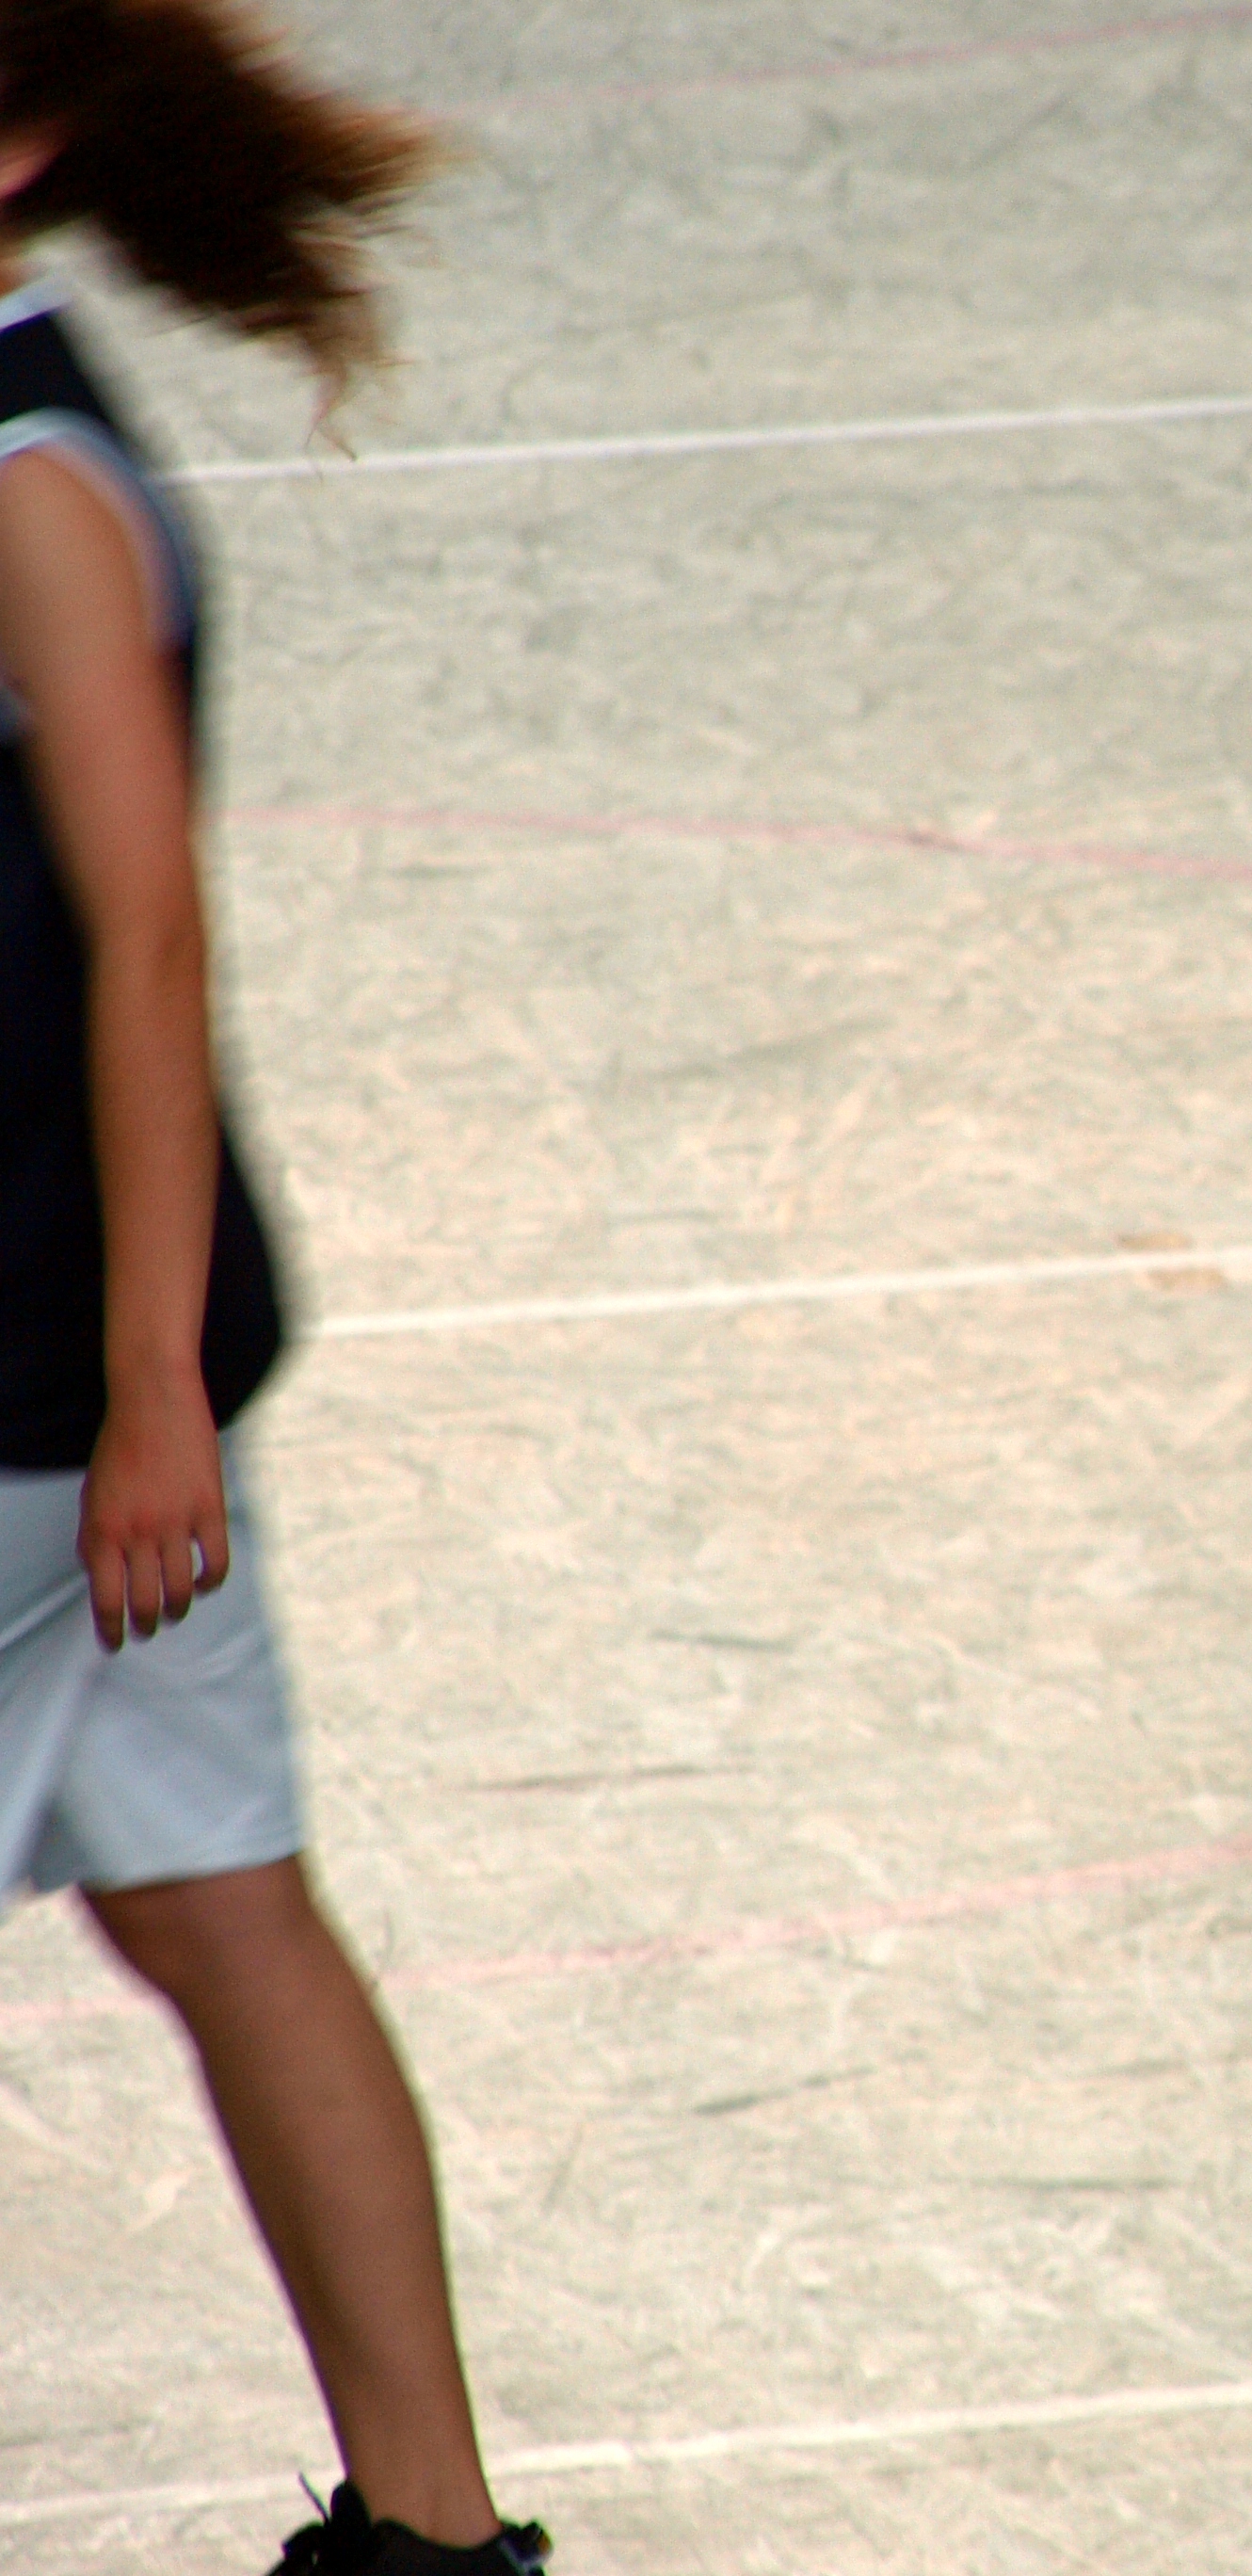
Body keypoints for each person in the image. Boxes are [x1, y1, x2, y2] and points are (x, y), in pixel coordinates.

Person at [0, 6, 544, 2568]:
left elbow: (145, 937)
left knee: (225, 1904)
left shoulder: (29, 490)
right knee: (220, 1902)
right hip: (103, 1383)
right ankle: (434, 2539)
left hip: (41, 1393)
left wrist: (144, 1398)